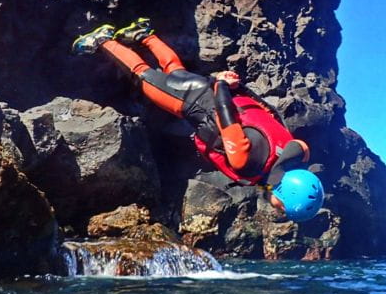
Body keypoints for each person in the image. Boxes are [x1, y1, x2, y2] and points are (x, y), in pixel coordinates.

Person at [72, 18, 325, 222]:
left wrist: (239, 88)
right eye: (284, 210)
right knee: (143, 76)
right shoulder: (246, 163)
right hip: (194, 101)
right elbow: (225, 115)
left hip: (202, 92)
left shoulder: (294, 149)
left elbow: (267, 111)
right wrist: (222, 85)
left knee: (175, 71)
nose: (279, 212)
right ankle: (103, 40)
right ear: (287, 195)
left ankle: (143, 33)